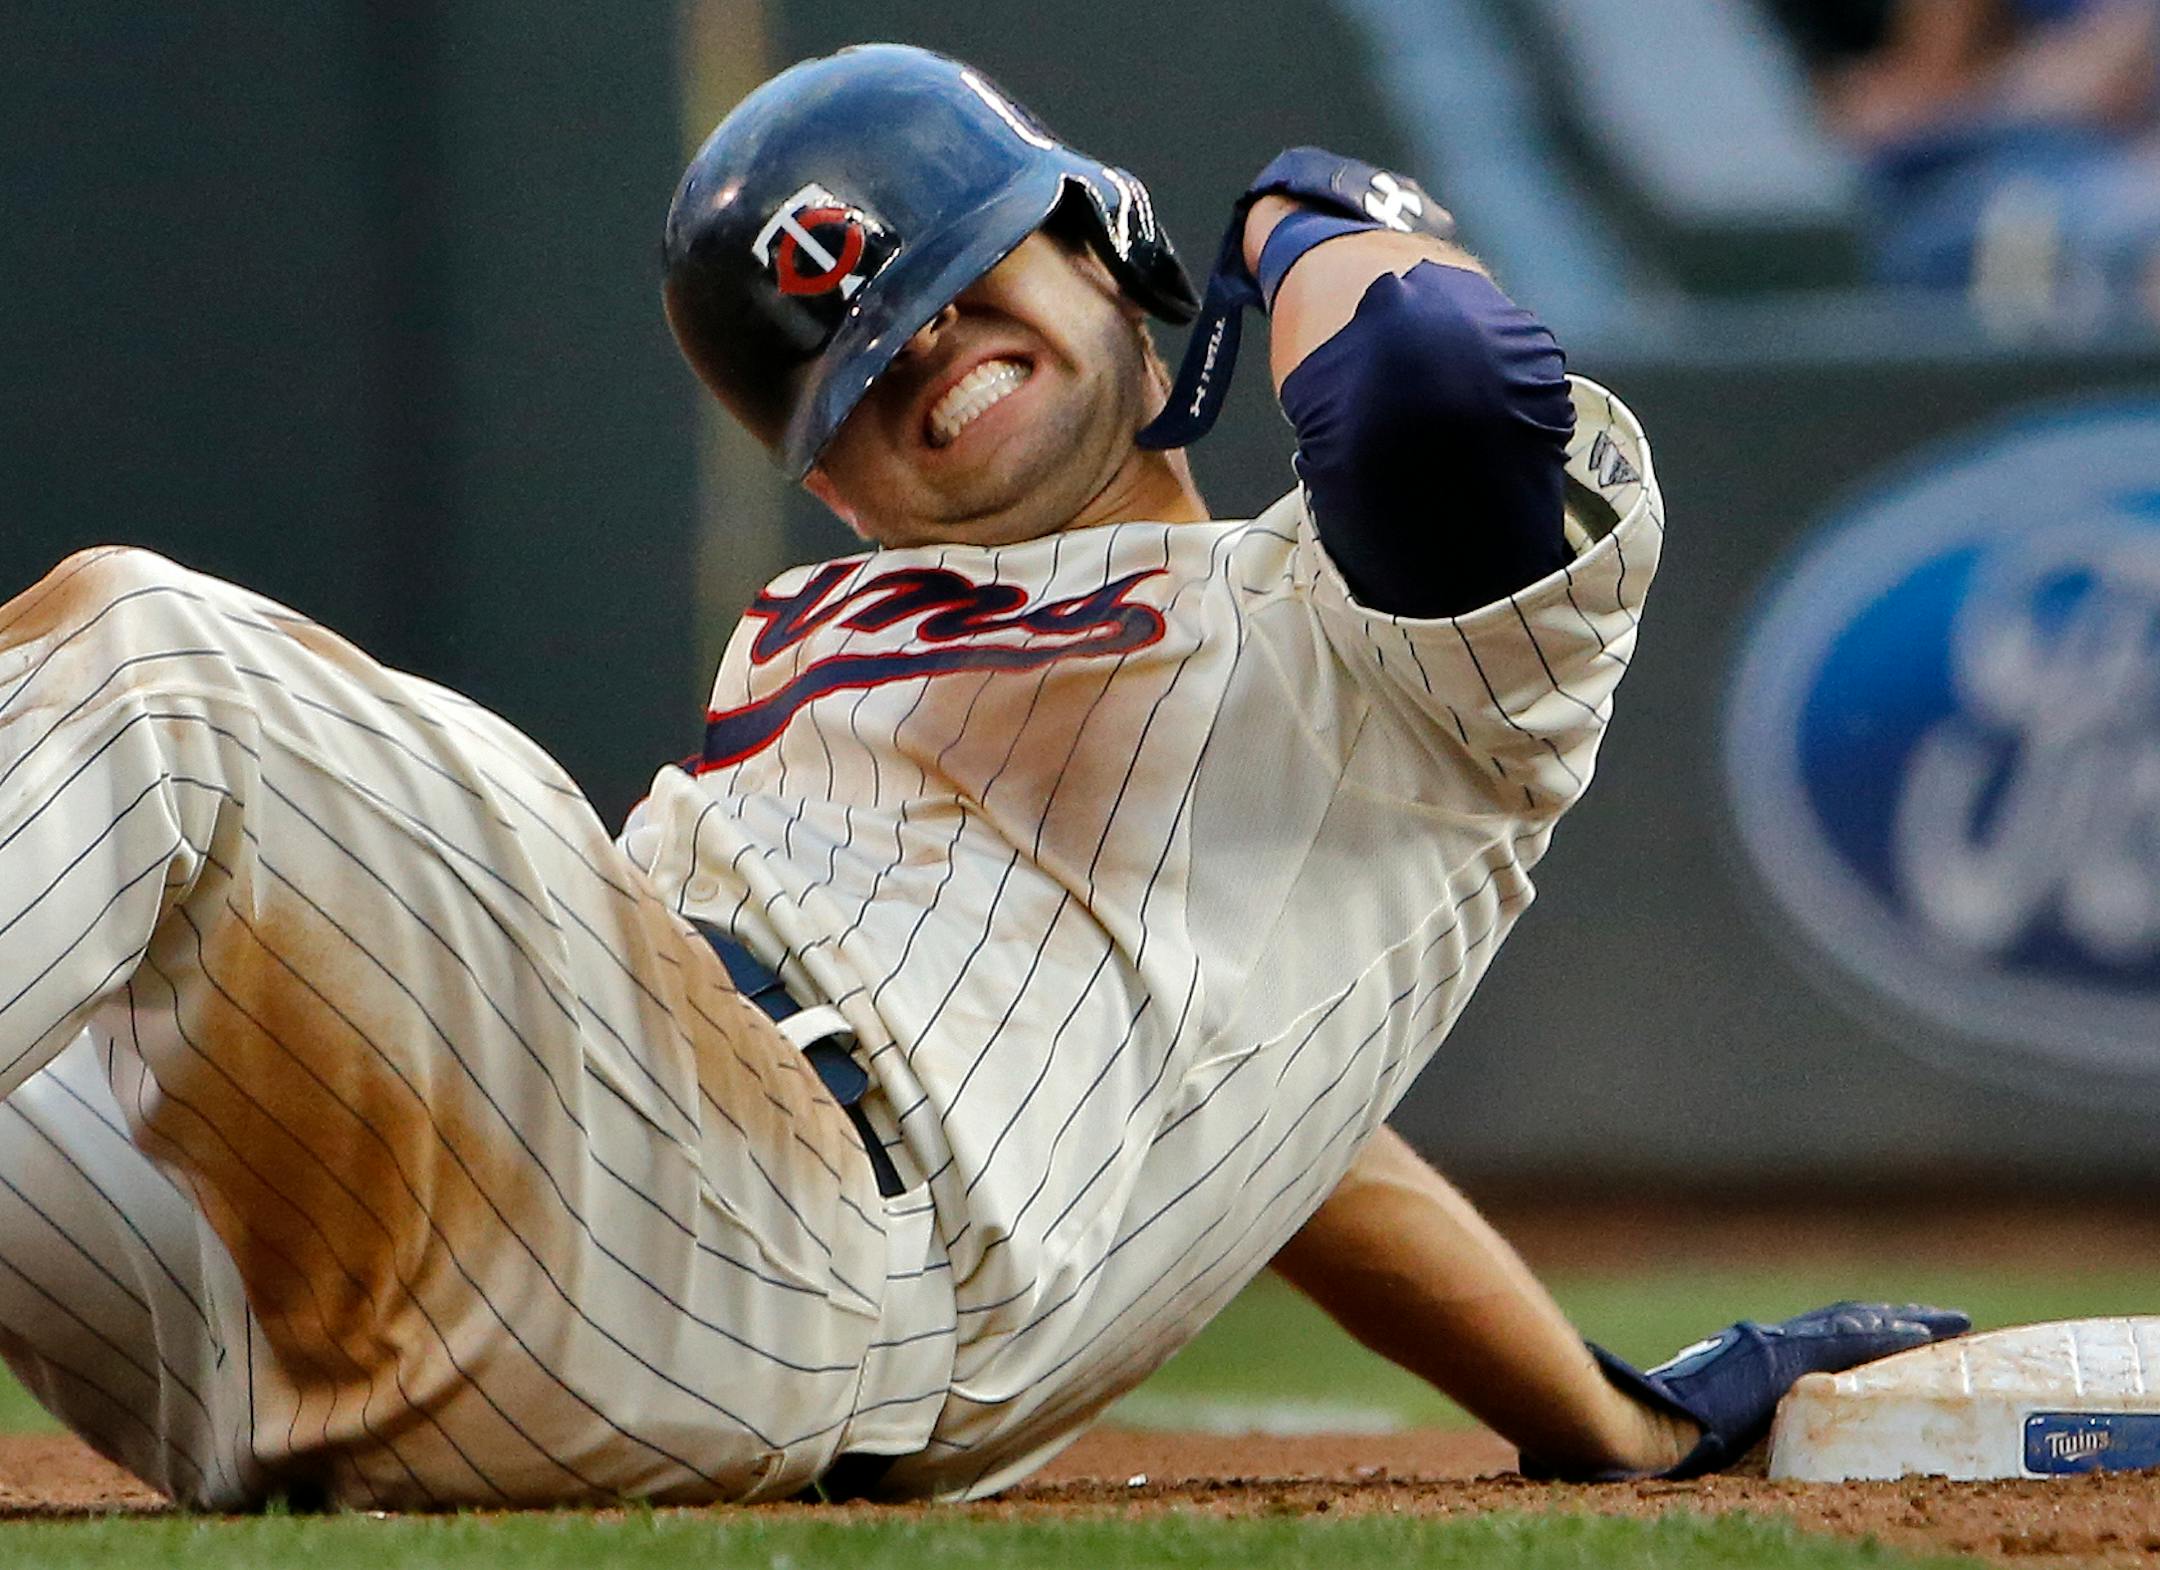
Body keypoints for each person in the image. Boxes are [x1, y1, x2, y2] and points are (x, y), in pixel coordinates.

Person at [0, 43, 1963, 1509]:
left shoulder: (1381, 658)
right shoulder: (850, 633)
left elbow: (1435, 389)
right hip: (335, 1278)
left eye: (960, 275)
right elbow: (1290, 1148)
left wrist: (1304, 210)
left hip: (761, 1261)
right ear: (839, 482)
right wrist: (1600, 1412)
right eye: (859, 363)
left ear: (1109, 242)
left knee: (154, 667)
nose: (924, 339)